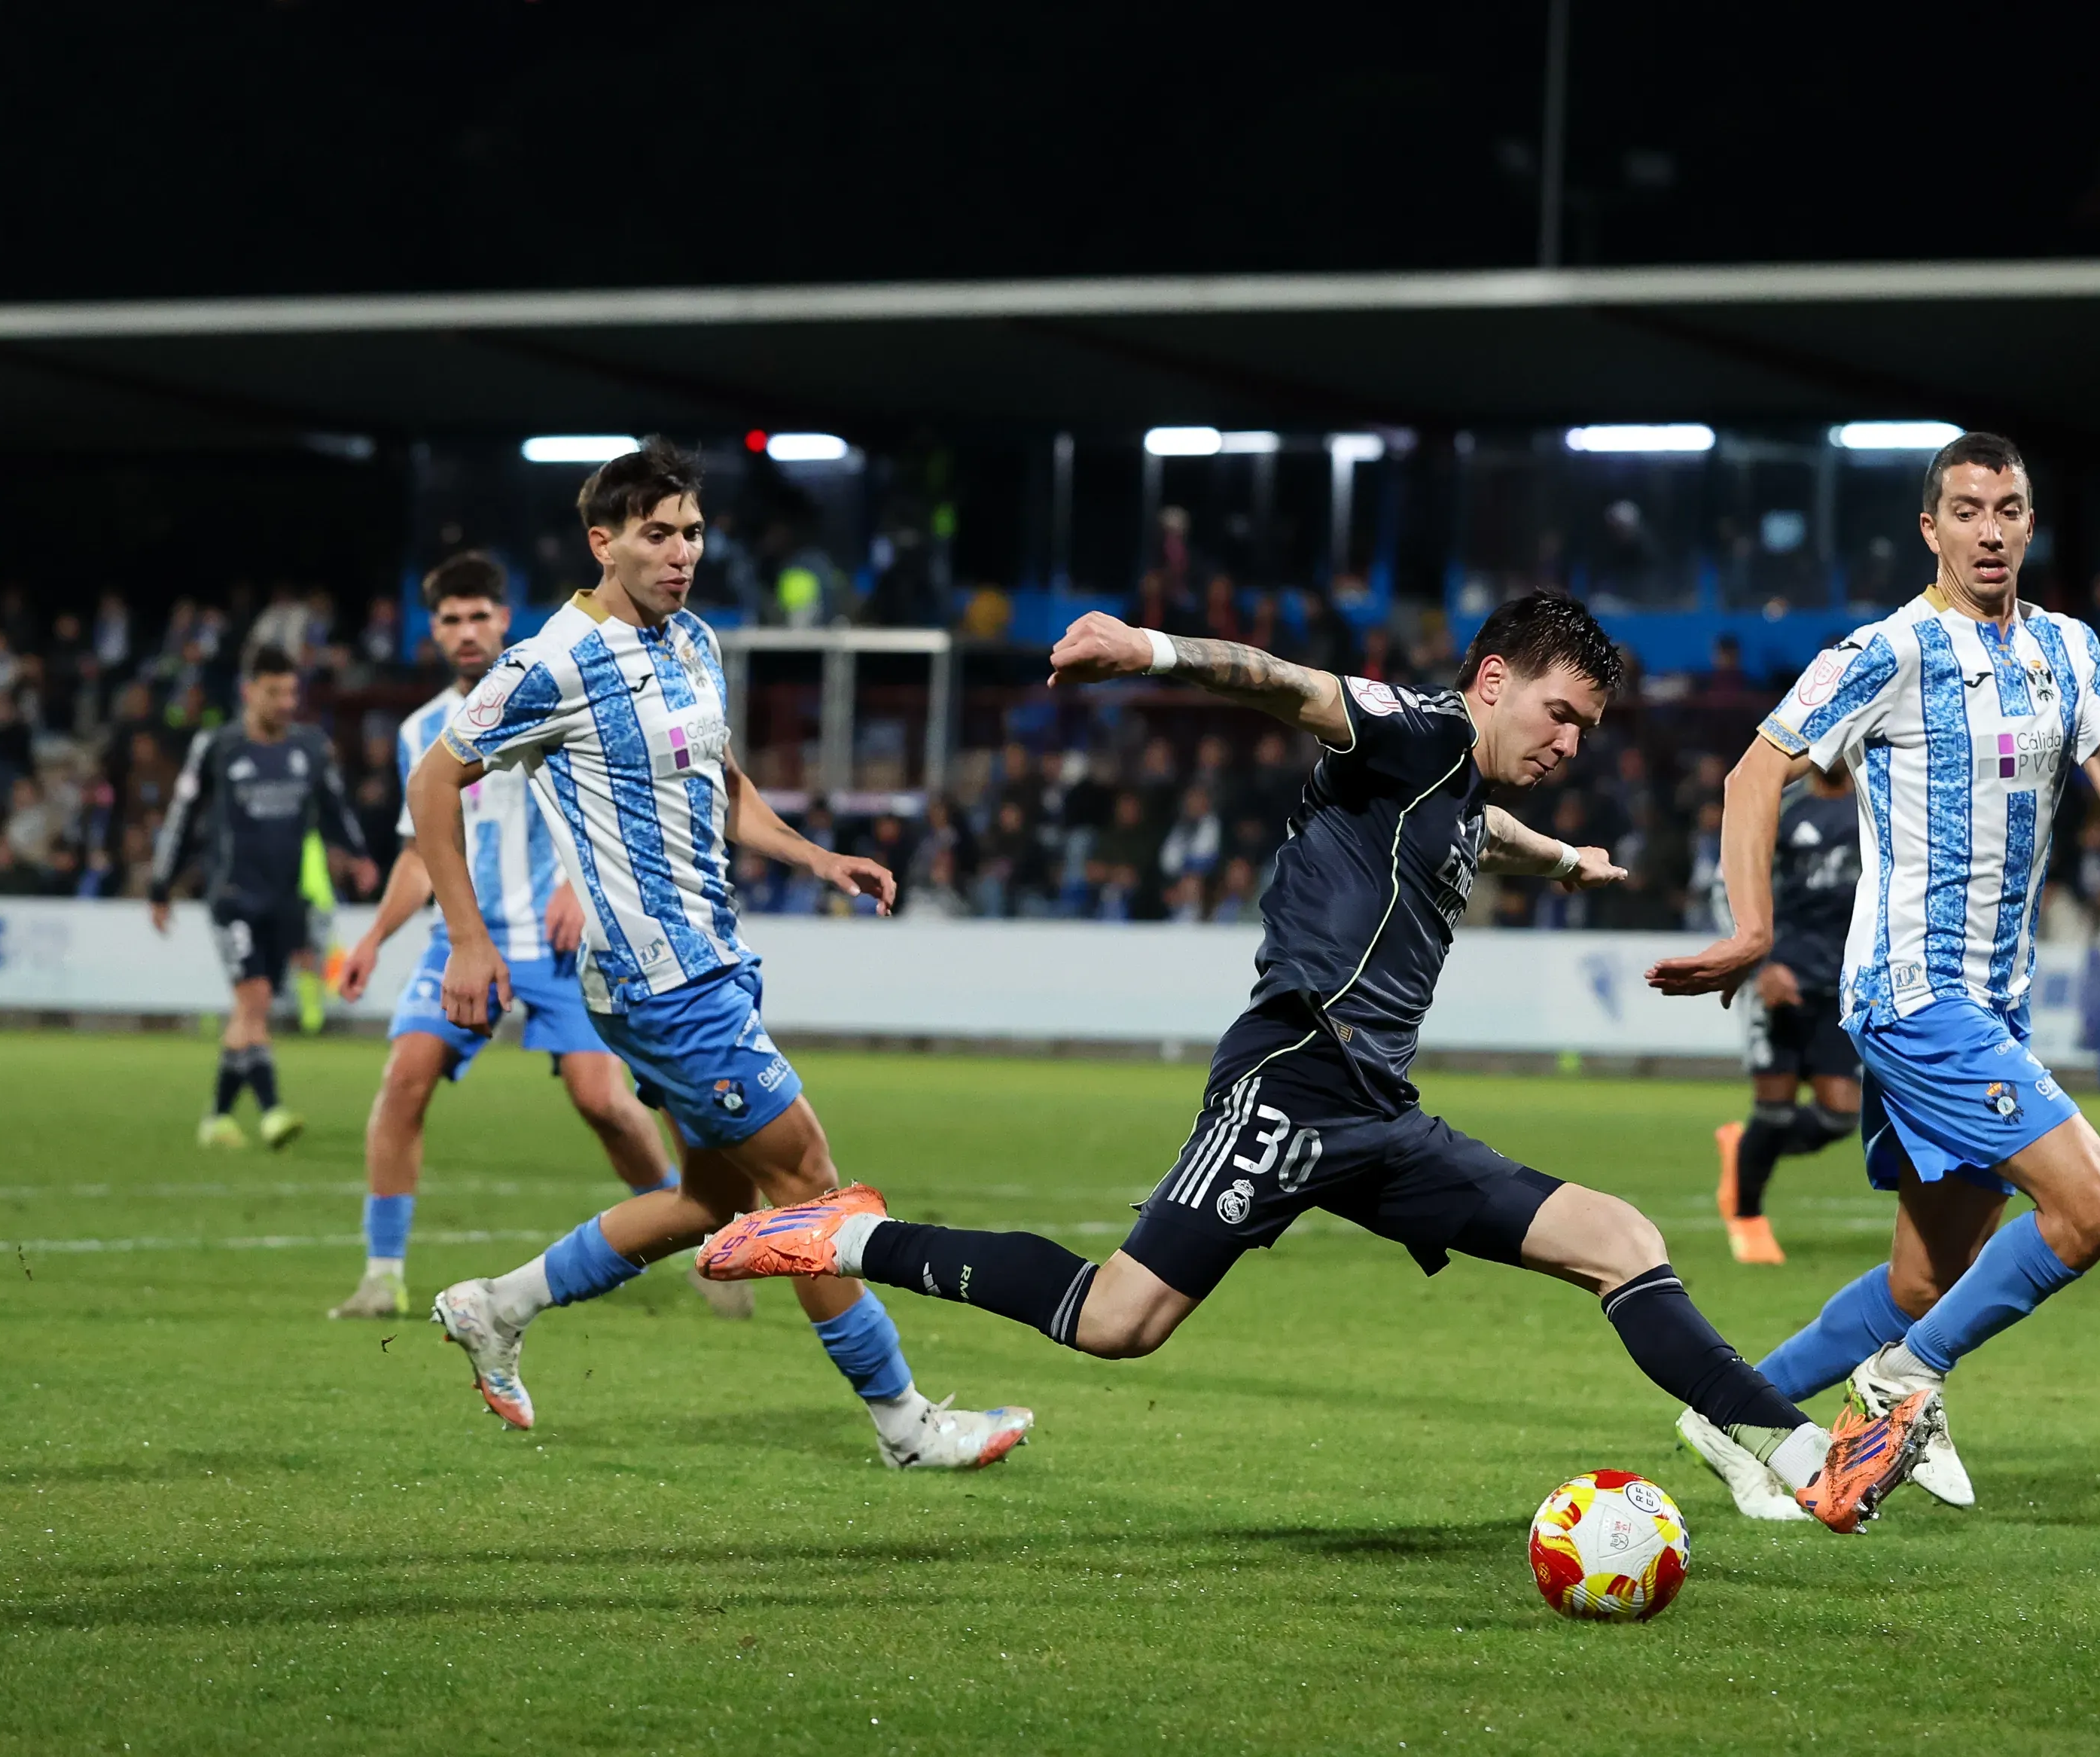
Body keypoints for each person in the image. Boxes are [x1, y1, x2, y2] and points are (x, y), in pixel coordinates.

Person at [701, 594, 1942, 1535]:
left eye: (1589, 725)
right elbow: (1295, 689)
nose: (1571, 738)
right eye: (1558, 711)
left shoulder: (1456, 776)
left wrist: (1560, 859)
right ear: (1494, 680)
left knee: (1618, 1237)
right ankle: (850, 1234)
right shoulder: (1414, 728)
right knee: (1116, 1319)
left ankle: (1800, 1459)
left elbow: (1475, 824)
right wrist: (1153, 650)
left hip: (1378, 1113)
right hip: (1292, 1083)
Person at [410, 439, 1029, 1469]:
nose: (682, 551)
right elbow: (435, 784)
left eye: (693, 531)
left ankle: (495, 1305)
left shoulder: (693, 640)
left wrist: (816, 855)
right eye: (659, 534)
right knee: (812, 1192)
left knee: (713, 1202)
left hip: (710, 960)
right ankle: (906, 1425)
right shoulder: (552, 661)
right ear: (602, 542)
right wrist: (468, 942)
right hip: (661, 982)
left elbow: (723, 780)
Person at [1647, 433, 2100, 1523]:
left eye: (2008, 508)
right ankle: (1905, 1384)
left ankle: (1734, 1417)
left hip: (1994, 1002)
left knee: (1922, 1282)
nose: (1989, 529)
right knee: (2093, 1207)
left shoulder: (2070, 652)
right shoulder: (1888, 650)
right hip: (1914, 995)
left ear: (2030, 524)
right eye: (1966, 509)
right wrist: (1753, 927)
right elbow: (1754, 773)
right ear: (1931, 528)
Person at [330, 553, 740, 1325]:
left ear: (502, 617)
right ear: (435, 630)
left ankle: (689, 1237)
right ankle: (382, 1274)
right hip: (465, 940)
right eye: (449, 618)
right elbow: (420, 851)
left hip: (561, 945)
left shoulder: (548, 688)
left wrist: (573, 888)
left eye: (478, 613)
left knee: (606, 1104)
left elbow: (605, 800)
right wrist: (374, 938)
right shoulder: (423, 729)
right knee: (404, 1078)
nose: (465, 630)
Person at [148, 643, 376, 1149]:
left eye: (292, 692)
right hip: (232, 896)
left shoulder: (311, 747)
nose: (286, 702)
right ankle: (272, 1109)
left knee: (251, 1008)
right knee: (253, 999)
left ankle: (218, 1117)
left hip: (284, 897)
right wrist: (161, 884)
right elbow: (183, 817)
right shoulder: (218, 745)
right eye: (275, 692)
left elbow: (335, 806)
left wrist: (358, 855)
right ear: (250, 692)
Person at [1709, 756, 1861, 1266]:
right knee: (1773, 1108)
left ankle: (1745, 1151)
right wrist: (1760, 963)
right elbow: (1726, 883)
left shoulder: (1879, 809)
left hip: (1844, 986)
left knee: (1840, 1115)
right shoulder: (1783, 807)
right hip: (1779, 980)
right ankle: (1748, 1219)